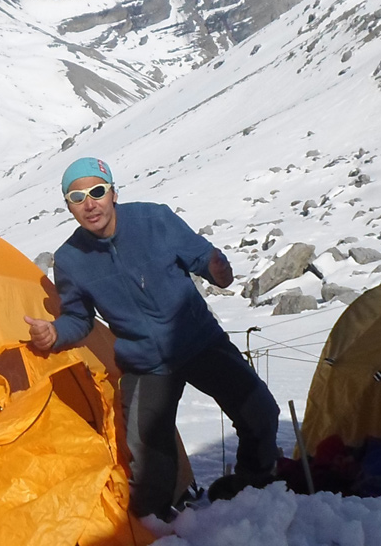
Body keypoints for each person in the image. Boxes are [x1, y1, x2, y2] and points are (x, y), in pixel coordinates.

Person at [23, 157, 281, 520]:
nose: (90, 203)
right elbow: (79, 318)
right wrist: (54, 333)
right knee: (148, 463)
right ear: (68, 206)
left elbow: (202, 257)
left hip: (198, 341)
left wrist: (217, 271)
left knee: (260, 413)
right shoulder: (70, 259)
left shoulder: (154, 219)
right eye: (77, 197)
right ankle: (155, 528)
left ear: (113, 193)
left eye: (97, 191)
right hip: (145, 365)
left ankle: (255, 490)